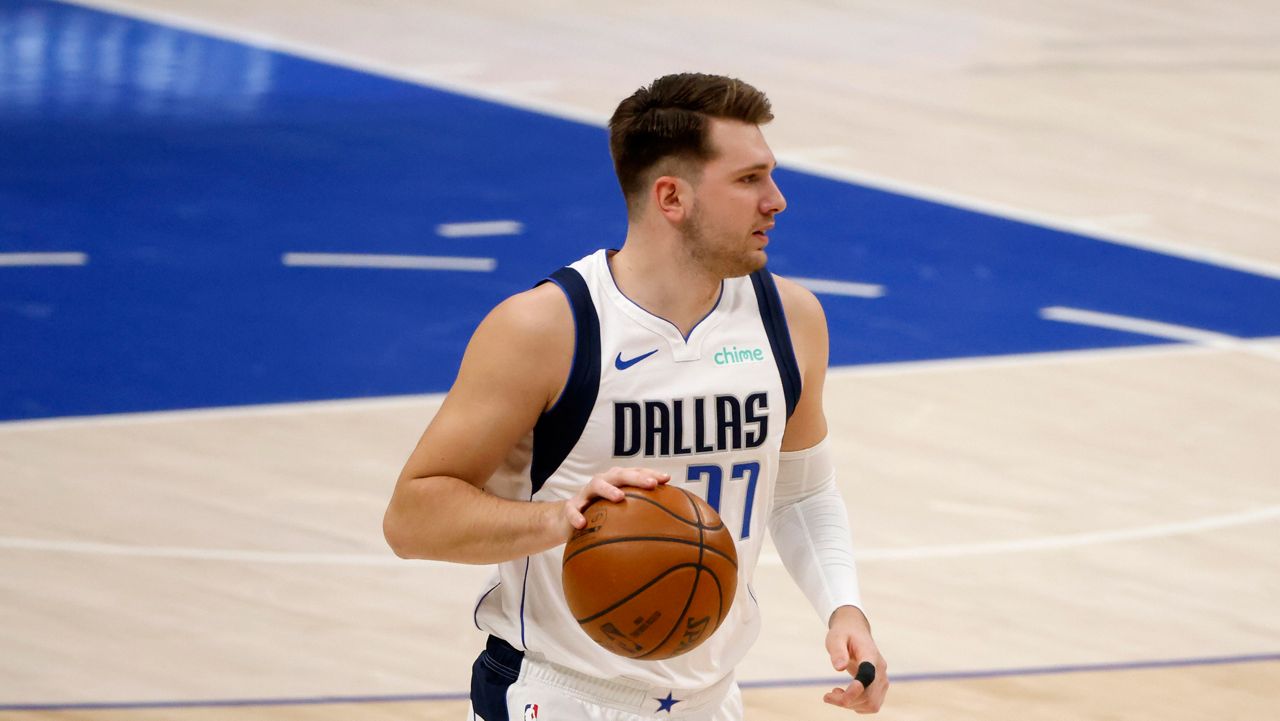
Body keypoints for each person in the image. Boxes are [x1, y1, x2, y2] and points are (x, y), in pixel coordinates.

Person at [384, 72, 887, 720]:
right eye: (749, 179)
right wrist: (558, 520)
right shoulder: (547, 328)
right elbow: (411, 517)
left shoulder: (789, 319)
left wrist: (843, 604)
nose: (777, 200)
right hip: (559, 694)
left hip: (710, 698)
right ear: (671, 197)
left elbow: (802, 489)